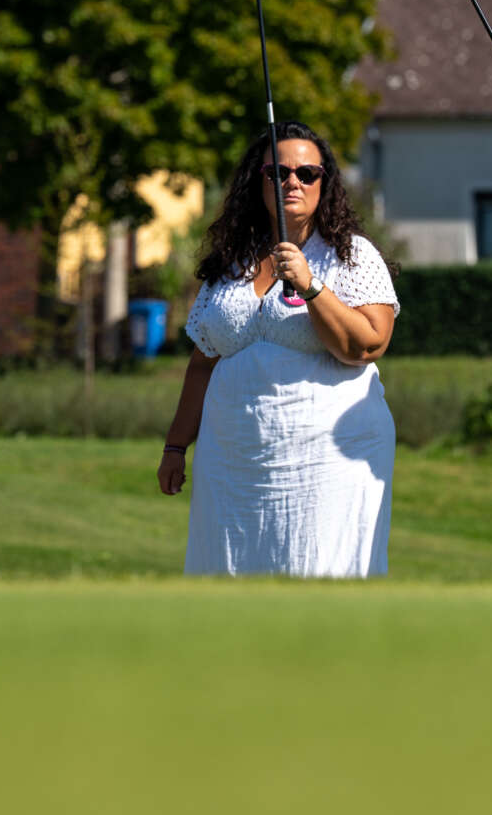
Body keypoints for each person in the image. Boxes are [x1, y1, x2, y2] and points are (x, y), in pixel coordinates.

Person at [157, 122, 400, 577]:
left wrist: (311, 286)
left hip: (326, 460)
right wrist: (175, 447)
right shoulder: (231, 264)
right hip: (232, 464)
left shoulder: (351, 256)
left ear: (324, 183)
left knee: (316, 574)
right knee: (230, 583)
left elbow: (368, 344)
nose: (293, 181)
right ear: (258, 182)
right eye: (279, 172)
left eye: (308, 173)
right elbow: (202, 363)